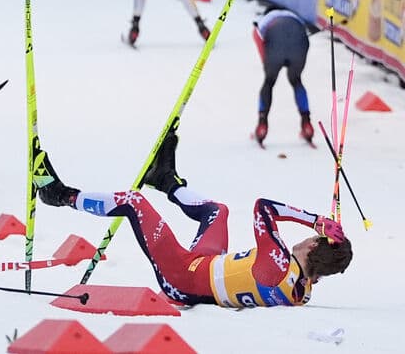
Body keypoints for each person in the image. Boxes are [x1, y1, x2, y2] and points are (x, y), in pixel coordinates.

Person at [33, 130, 352, 307]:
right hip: (205, 263)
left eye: (314, 239)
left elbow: (263, 208)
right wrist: (333, 253)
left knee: (133, 203)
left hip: (183, 277)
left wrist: (315, 221)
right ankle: (165, 180)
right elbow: (311, 273)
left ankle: (59, 195)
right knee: (219, 211)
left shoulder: (280, 263)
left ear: (312, 246)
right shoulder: (303, 287)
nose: (310, 238)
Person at [253, 9, 314, 147]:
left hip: (275, 45)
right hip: (299, 43)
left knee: (269, 82)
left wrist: (269, 65)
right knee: (296, 80)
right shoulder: (294, 15)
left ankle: (262, 125)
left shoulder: (264, 20)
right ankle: (307, 123)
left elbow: (258, 38)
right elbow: (305, 39)